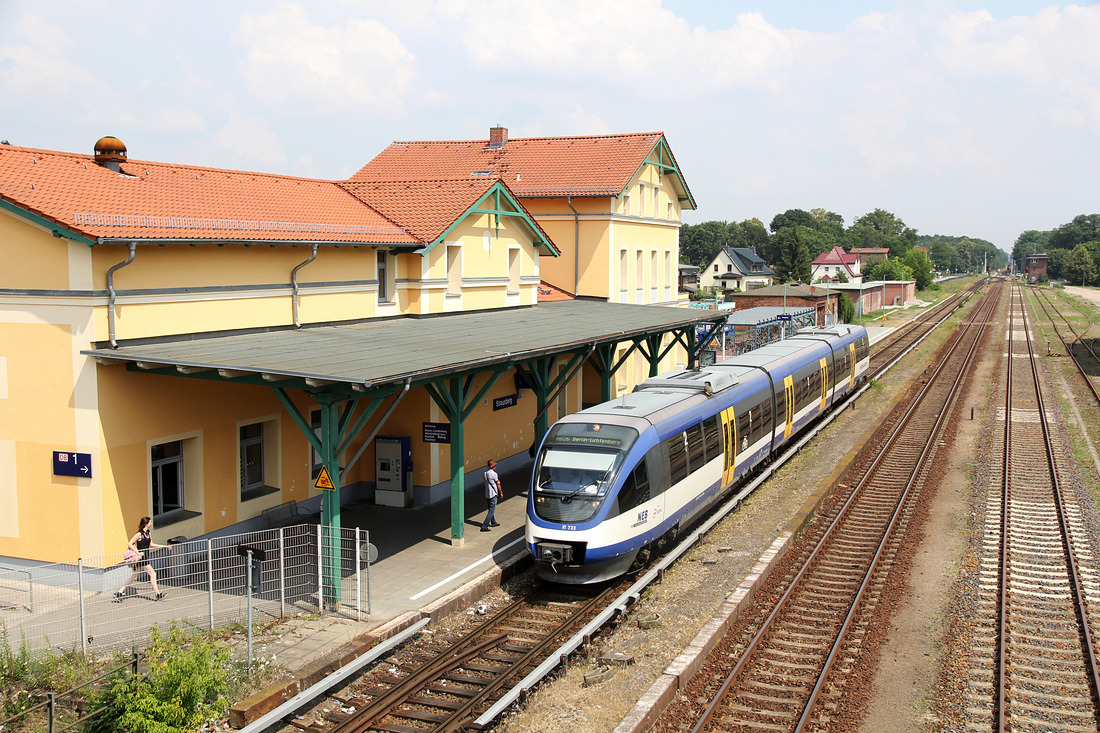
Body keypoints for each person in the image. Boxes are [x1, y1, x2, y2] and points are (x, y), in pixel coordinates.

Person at [114, 516, 170, 602]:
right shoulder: (139, 534)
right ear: (146, 524)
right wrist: (138, 553)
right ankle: (158, 594)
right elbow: (130, 544)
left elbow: (151, 544)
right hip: (142, 558)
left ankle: (119, 593)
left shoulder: (148, 532)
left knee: (134, 577)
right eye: (150, 522)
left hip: (145, 557)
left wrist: (164, 546)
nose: (151, 523)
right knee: (152, 574)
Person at [480, 459, 503, 532]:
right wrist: (501, 492)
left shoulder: (485, 473)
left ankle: (493, 522)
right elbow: (498, 483)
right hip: (493, 493)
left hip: (487, 493)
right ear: (494, 466)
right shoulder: (494, 474)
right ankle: (484, 525)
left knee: (490, 508)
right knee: (492, 510)